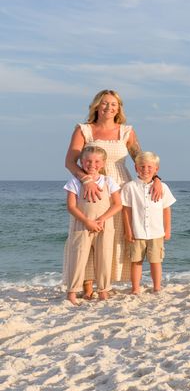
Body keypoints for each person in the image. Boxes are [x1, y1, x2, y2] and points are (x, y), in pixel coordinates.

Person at [64, 89, 161, 296]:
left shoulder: (127, 132)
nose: (109, 107)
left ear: (119, 108)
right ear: (97, 105)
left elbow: (141, 160)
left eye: (114, 104)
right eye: (105, 103)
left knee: (112, 238)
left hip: (121, 188)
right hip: (91, 188)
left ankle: (105, 286)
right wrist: (87, 180)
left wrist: (156, 179)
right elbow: (70, 162)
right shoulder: (84, 130)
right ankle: (86, 286)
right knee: (86, 234)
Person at [62, 146, 122, 304]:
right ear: (81, 162)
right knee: (78, 259)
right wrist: (87, 221)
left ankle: (103, 291)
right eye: (88, 161)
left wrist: (102, 219)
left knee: (104, 258)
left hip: (104, 226)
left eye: (96, 161)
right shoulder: (74, 182)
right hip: (82, 226)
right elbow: (71, 207)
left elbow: (117, 205)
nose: (92, 164)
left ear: (102, 164)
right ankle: (72, 293)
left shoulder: (109, 181)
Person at [121, 151, 177, 295]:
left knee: (155, 261)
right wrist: (128, 230)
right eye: (142, 166)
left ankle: (157, 287)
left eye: (149, 167)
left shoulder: (163, 187)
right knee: (136, 261)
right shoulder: (130, 187)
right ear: (136, 168)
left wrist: (167, 229)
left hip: (156, 232)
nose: (145, 170)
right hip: (137, 232)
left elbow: (166, 209)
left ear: (156, 169)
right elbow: (126, 210)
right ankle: (135, 288)